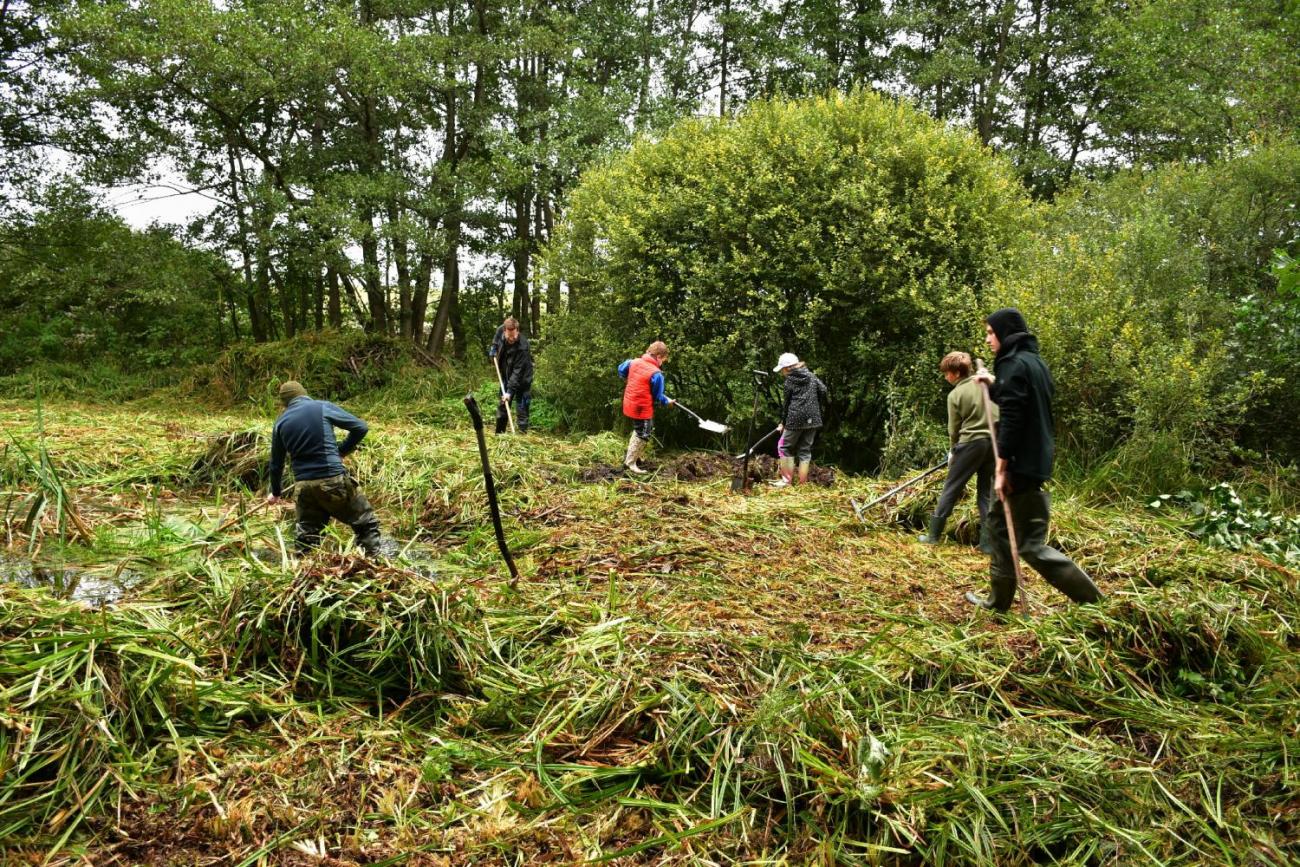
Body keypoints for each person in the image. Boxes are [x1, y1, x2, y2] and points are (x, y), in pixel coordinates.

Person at [966, 309, 1104, 612]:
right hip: (1034, 458)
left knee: (1029, 543)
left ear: (1004, 332)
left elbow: (1014, 419)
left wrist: (1002, 468)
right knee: (999, 528)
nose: (988, 338)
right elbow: (1017, 398)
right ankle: (997, 601)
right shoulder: (1032, 362)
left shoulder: (1013, 364)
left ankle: (1093, 601)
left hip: (1019, 463)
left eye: (991, 332)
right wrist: (993, 384)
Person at [266, 381, 389, 556]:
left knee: (307, 536)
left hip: (303, 488)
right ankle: (373, 564)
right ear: (304, 394)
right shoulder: (322, 407)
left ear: (285, 403)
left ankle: (303, 574)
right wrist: (342, 451)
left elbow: (275, 464)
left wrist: (276, 492)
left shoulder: (280, 423)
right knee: (365, 523)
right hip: (332, 479)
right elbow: (360, 427)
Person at [919, 351, 996, 550]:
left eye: (946, 373)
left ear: (955, 373)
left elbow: (954, 429)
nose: (945, 377)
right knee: (986, 493)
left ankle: (933, 536)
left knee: (951, 488)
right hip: (994, 444)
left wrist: (954, 450)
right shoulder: (988, 383)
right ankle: (987, 544)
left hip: (970, 443)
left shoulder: (956, 394)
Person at [618, 341, 675, 473]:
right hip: (641, 407)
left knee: (640, 429)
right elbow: (657, 396)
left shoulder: (633, 362)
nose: (662, 364)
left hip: (629, 402)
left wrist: (631, 378)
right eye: (664, 360)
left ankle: (634, 456)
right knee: (644, 432)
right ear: (659, 357)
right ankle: (630, 463)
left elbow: (621, 369)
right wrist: (668, 402)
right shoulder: (656, 374)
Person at [772, 352, 827, 487]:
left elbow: (787, 405)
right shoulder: (812, 376)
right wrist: (813, 405)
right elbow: (823, 390)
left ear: (786, 368)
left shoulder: (789, 381)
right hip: (813, 419)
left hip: (795, 419)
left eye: (782, 370)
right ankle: (803, 483)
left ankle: (786, 481)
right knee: (805, 450)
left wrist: (783, 423)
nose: (782, 373)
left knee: (783, 446)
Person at [488, 316, 533, 433]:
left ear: (517, 331)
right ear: (505, 331)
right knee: (503, 406)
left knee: (522, 408)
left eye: (514, 336)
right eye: (509, 336)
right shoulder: (501, 330)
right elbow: (497, 336)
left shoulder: (523, 347)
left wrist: (509, 392)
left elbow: (517, 372)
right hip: (506, 376)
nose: (511, 338)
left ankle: (522, 435)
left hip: (522, 379)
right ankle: (499, 434)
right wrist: (494, 346)